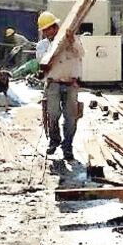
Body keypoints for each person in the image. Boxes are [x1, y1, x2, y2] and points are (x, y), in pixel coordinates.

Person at [38, 12, 83, 160]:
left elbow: (81, 53)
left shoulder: (73, 40)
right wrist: (56, 47)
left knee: (71, 117)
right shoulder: (43, 45)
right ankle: (54, 140)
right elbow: (43, 61)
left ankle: (67, 146)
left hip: (70, 83)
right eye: (45, 30)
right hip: (53, 83)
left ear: (56, 27)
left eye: (49, 29)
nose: (47, 32)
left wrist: (71, 42)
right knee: (53, 114)